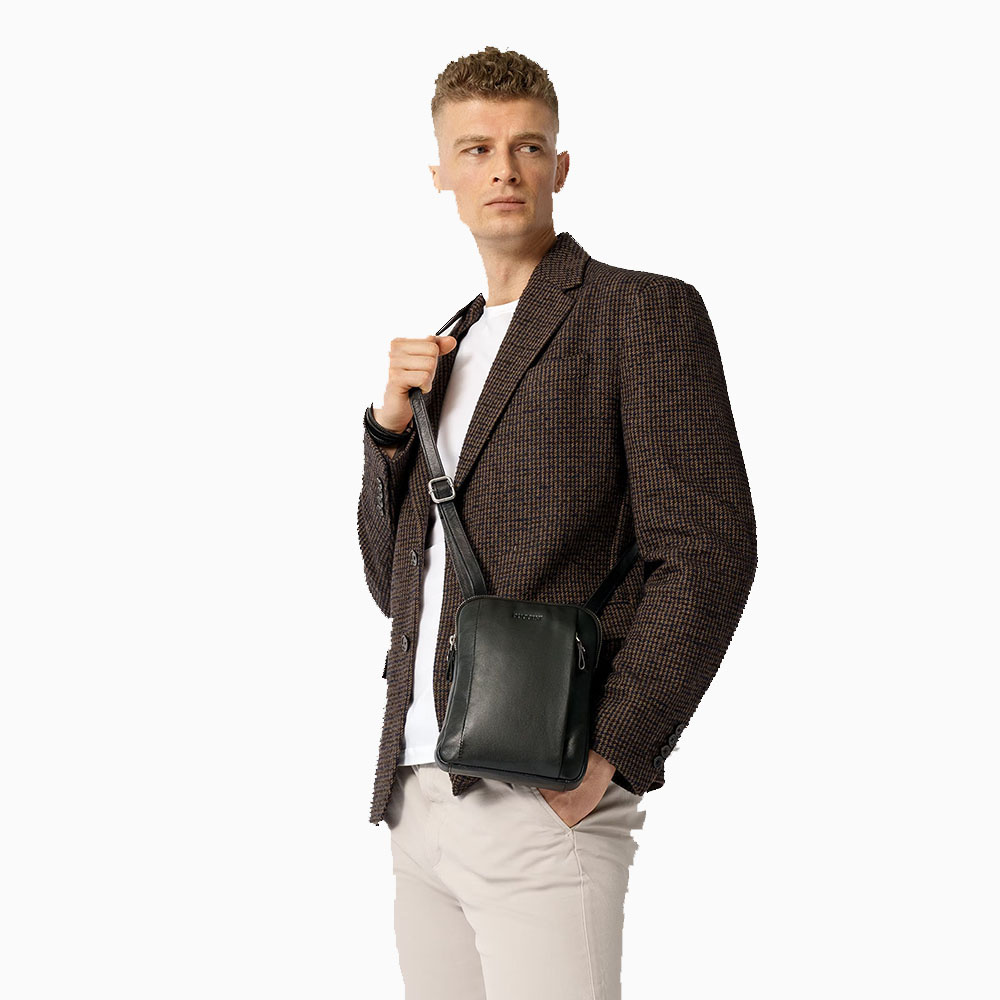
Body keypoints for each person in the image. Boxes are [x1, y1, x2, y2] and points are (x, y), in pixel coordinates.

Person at [356, 46, 757, 1000]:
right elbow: (391, 586)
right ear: (441, 174)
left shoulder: (639, 312)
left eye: (527, 147)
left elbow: (709, 553)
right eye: (477, 148)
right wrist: (389, 437)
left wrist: (608, 754)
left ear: (559, 166)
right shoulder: (446, 350)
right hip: (418, 794)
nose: (504, 169)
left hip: (545, 789)